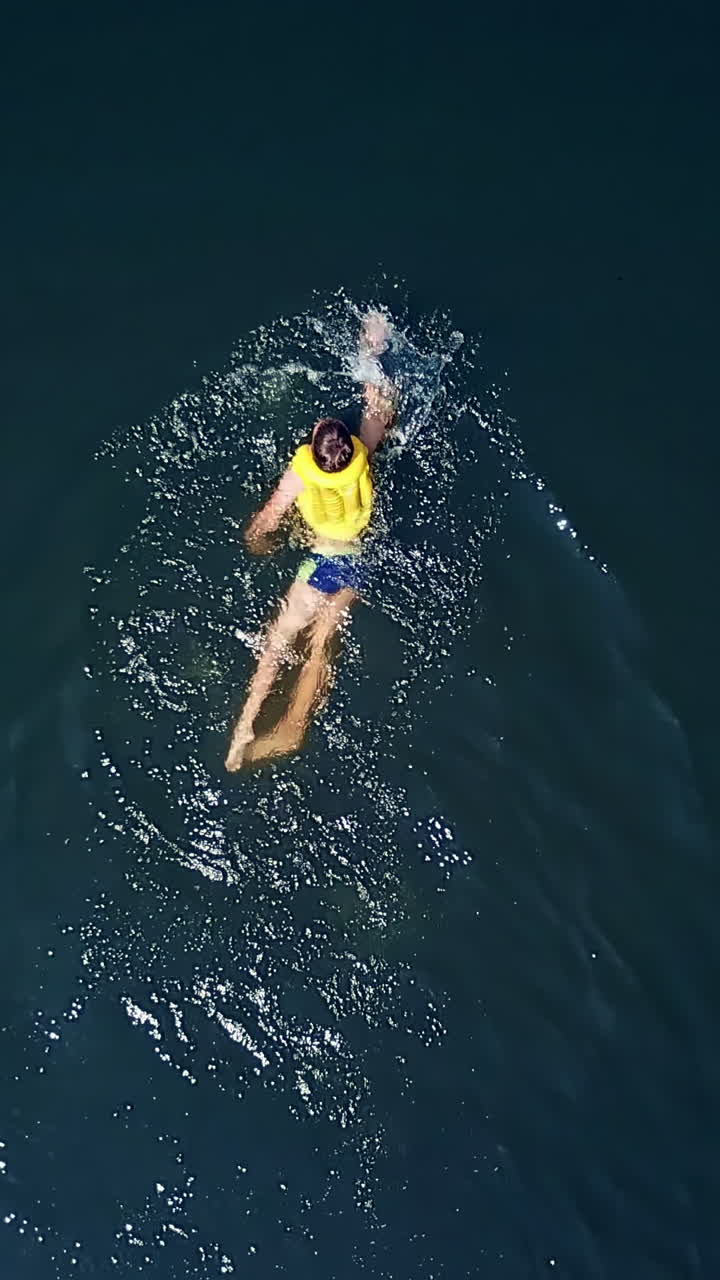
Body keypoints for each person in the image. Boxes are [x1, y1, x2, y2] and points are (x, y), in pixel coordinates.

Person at [225, 311, 396, 771]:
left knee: (277, 642)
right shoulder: (364, 452)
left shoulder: (300, 477)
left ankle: (247, 726)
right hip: (358, 557)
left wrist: (256, 542)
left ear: (315, 453)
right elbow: (381, 404)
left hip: (321, 562)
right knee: (322, 644)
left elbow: (265, 523)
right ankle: (293, 727)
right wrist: (371, 349)